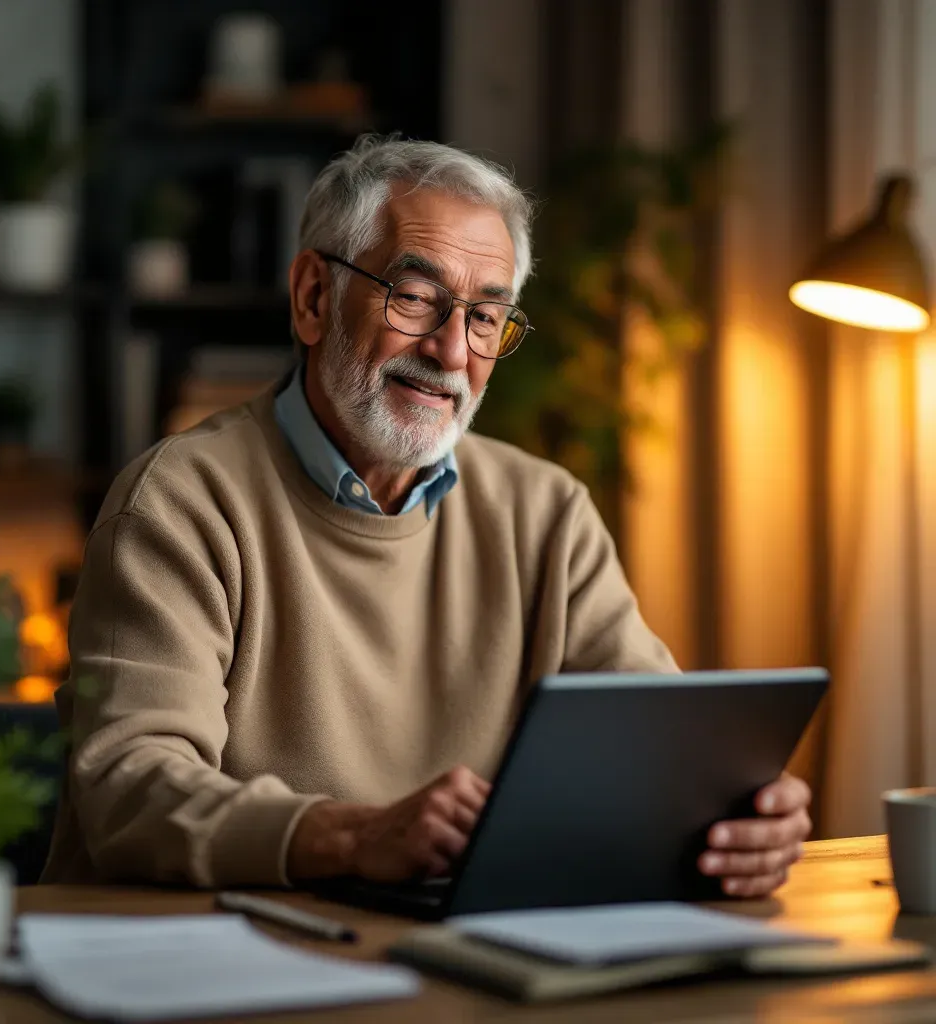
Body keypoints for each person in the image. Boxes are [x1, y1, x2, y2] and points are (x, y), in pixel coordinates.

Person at [42, 136, 811, 898]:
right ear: (314, 297)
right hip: (202, 965)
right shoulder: (178, 503)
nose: (451, 351)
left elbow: (656, 751)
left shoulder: (546, 512)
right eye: (414, 298)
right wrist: (351, 836)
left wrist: (732, 819)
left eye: (485, 317)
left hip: (445, 960)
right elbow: (132, 788)